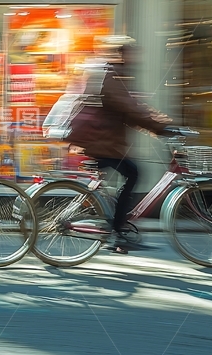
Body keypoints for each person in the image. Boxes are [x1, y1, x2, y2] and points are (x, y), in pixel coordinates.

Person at [67, 40, 174, 251]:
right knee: (133, 173)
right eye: (134, 54)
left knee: (126, 175)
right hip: (101, 142)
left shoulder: (113, 75)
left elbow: (131, 109)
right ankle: (119, 229)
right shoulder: (112, 77)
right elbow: (130, 109)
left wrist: (156, 124)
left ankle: (117, 225)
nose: (138, 58)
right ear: (123, 54)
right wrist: (162, 127)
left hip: (102, 141)